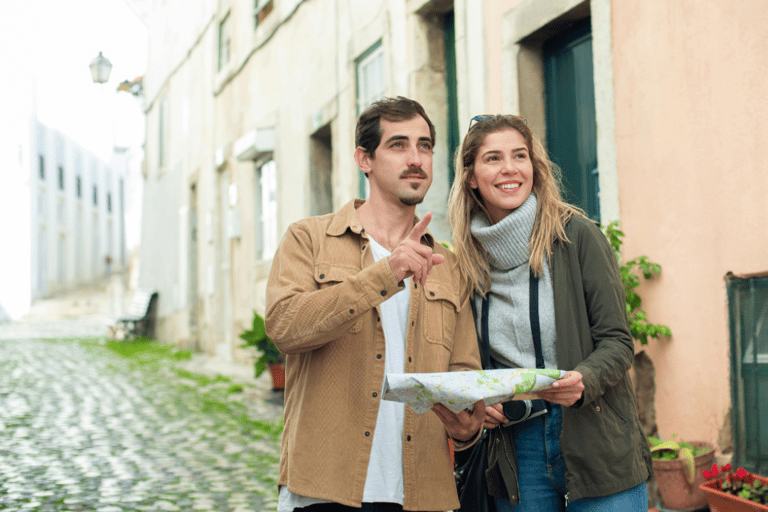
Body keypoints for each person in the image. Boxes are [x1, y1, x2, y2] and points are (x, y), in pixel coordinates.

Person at [265, 96, 485, 512]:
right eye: (398, 145)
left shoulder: (449, 266)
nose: (416, 158)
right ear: (364, 159)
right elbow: (285, 327)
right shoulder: (308, 239)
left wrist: (467, 427)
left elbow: (463, 373)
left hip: (422, 493)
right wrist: (386, 273)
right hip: (325, 487)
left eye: (425, 146)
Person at [447, 114, 653, 511]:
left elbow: (618, 341)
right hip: (515, 449)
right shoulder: (466, 261)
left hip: (593, 435)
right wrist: (479, 398)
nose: (510, 168)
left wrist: (584, 378)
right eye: (493, 158)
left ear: (533, 167)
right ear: (471, 176)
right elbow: (464, 357)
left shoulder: (576, 236)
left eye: (519, 156)